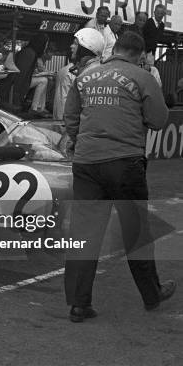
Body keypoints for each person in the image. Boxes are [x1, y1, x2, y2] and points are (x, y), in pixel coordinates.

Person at [63, 31, 175, 322]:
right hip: (125, 162)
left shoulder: (85, 77)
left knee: (84, 234)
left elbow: (71, 120)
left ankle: (78, 304)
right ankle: (152, 294)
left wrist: (85, 140)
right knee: (136, 232)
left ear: (115, 49)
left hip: (86, 163)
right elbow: (159, 120)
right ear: (138, 54)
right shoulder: (142, 76)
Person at [53, 28, 104, 120]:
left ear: (86, 47)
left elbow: (63, 110)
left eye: (75, 44)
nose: (71, 46)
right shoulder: (101, 70)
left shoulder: (73, 73)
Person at [0, 33, 49, 113]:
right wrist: (18, 96)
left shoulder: (29, 52)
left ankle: (39, 107)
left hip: (17, 84)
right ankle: (36, 107)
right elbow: (21, 74)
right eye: (46, 44)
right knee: (44, 80)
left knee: (44, 80)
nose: (46, 46)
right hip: (16, 86)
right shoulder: (29, 53)